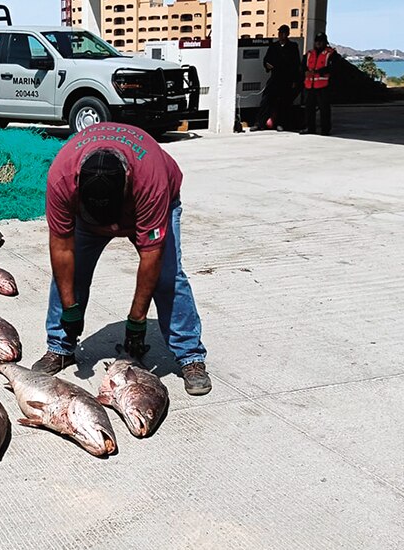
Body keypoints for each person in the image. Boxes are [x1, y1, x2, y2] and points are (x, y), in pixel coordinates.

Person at [32, 122, 212, 396]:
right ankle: (60, 347)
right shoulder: (61, 178)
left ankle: (190, 356)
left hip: (148, 206)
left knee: (168, 277)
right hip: (88, 220)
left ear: (128, 182)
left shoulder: (150, 181)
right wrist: (70, 308)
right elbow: (61, 250)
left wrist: (137, 320)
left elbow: (152, 256)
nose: (112, 229)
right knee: (70, 274)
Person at [256, 25, 301, 131]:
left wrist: (295, 80)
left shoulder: (293, 46)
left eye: (284, 33)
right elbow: (266, 59)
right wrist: (267, 65)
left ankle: (282, 124)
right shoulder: (273, 46)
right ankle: (260, 123)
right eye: (280, 33)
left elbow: (296, 64)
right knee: (266, 100)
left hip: (287, 79)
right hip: (275, 77)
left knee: (284, 102)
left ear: (288, 34)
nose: (281, 35)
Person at [301, 32, 341, 135]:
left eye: (321, 41)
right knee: (309, 108)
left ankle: (325, 129)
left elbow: (334, 68)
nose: (318, 43)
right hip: (309, 85)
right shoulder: (309, 54)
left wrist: (319, 71)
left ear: (325, 42)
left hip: (323, 86)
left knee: (324, 109)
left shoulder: (330, 54)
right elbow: (302, 67)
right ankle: (310, 128)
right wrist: (305, 72)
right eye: (317, 41)